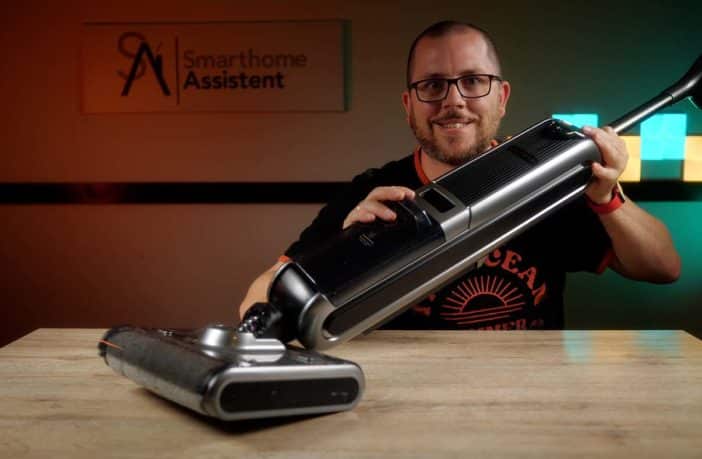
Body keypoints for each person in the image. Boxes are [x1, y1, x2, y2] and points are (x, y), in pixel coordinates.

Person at [237, 20, 680, 330]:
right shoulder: (371, 199)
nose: (453, 101)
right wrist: (342, 257)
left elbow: (663, 268)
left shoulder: (547, 181)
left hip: (533, 398)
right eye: (432, 85)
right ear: (409, 105)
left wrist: (607, 197)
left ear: (501, 97)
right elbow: (255, 302)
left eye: (473, 81)